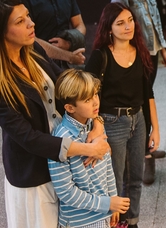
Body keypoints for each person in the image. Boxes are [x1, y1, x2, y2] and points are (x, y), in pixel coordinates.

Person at [0, 0, 109, 228]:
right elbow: (27, 137)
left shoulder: (33, 48)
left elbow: (72, 90)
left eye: (27, 15)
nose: (31, 23)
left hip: (67, 163)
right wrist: (88, 148)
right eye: (19, 21)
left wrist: (97, 123)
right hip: (34, 173)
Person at [85, 2, 160, 228]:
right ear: (109, 28)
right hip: (111, 122)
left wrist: (154, 127)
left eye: (130, 21)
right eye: (120, 23)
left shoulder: (140, 52)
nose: (128, 26)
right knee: (115, 180)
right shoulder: (100, 56)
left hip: (138, 120)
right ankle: (114, 224)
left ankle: (132, 221)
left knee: (135, 178)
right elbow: (86, 94)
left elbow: (148, 93)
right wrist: (97, 125)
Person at [111, 0, 166, 184]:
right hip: (136, 54)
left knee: (148, 97)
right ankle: (145, 155)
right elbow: (114, 24)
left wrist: (163, 48)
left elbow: (155, 20)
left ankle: (148, 147)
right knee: (143, 100)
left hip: (152, 51)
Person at [49, 69, 130, 228]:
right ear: (70, 107)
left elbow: (107, 167)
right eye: (87, 99)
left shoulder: (95, 125)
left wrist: (113, 199)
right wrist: (108, 203)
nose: (96, 102)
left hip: (103, 214)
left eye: (95, 94)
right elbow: (66, 193)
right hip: (80, 222)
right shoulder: (61, 138)